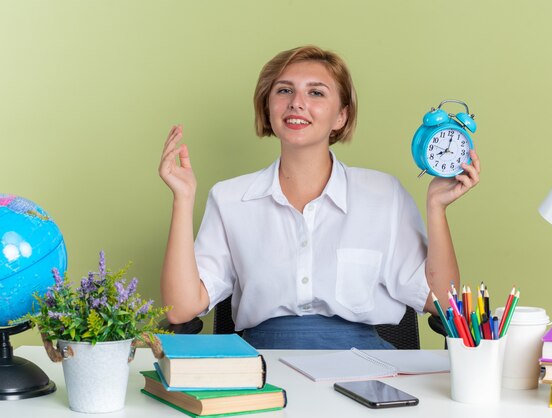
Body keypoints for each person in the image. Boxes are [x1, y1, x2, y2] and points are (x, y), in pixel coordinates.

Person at [159, 45, 480, 349]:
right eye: (284, 90)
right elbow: (181, 310)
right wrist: (182, 198)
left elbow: (440, 301)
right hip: (262, 366)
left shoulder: (384, 195)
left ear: (341, 116)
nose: (297, 102)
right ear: (267, 107)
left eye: (316, 92)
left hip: (366, 366)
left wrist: (436, 208)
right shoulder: (230, 198)